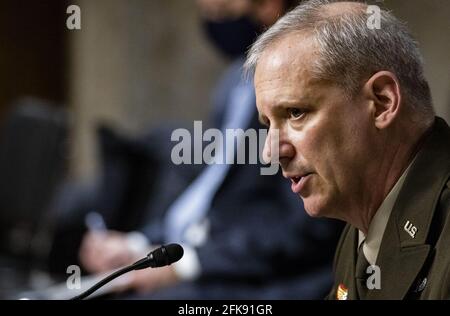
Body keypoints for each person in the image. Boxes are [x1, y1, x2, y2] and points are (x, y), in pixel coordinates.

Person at [77, 0, 343, 299]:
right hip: (200, 251)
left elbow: (302, 228)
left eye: (222, 10)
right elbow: (207, 195)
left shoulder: (308, 87)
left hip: (253, 277)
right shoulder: (233, 83)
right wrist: (138, 244)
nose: (212, 20)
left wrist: (187, 264)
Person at [245, 0, 450, 300]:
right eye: (268, 123)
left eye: (296, 113)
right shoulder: (360, 229)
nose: (271, 153)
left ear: (382, 102)